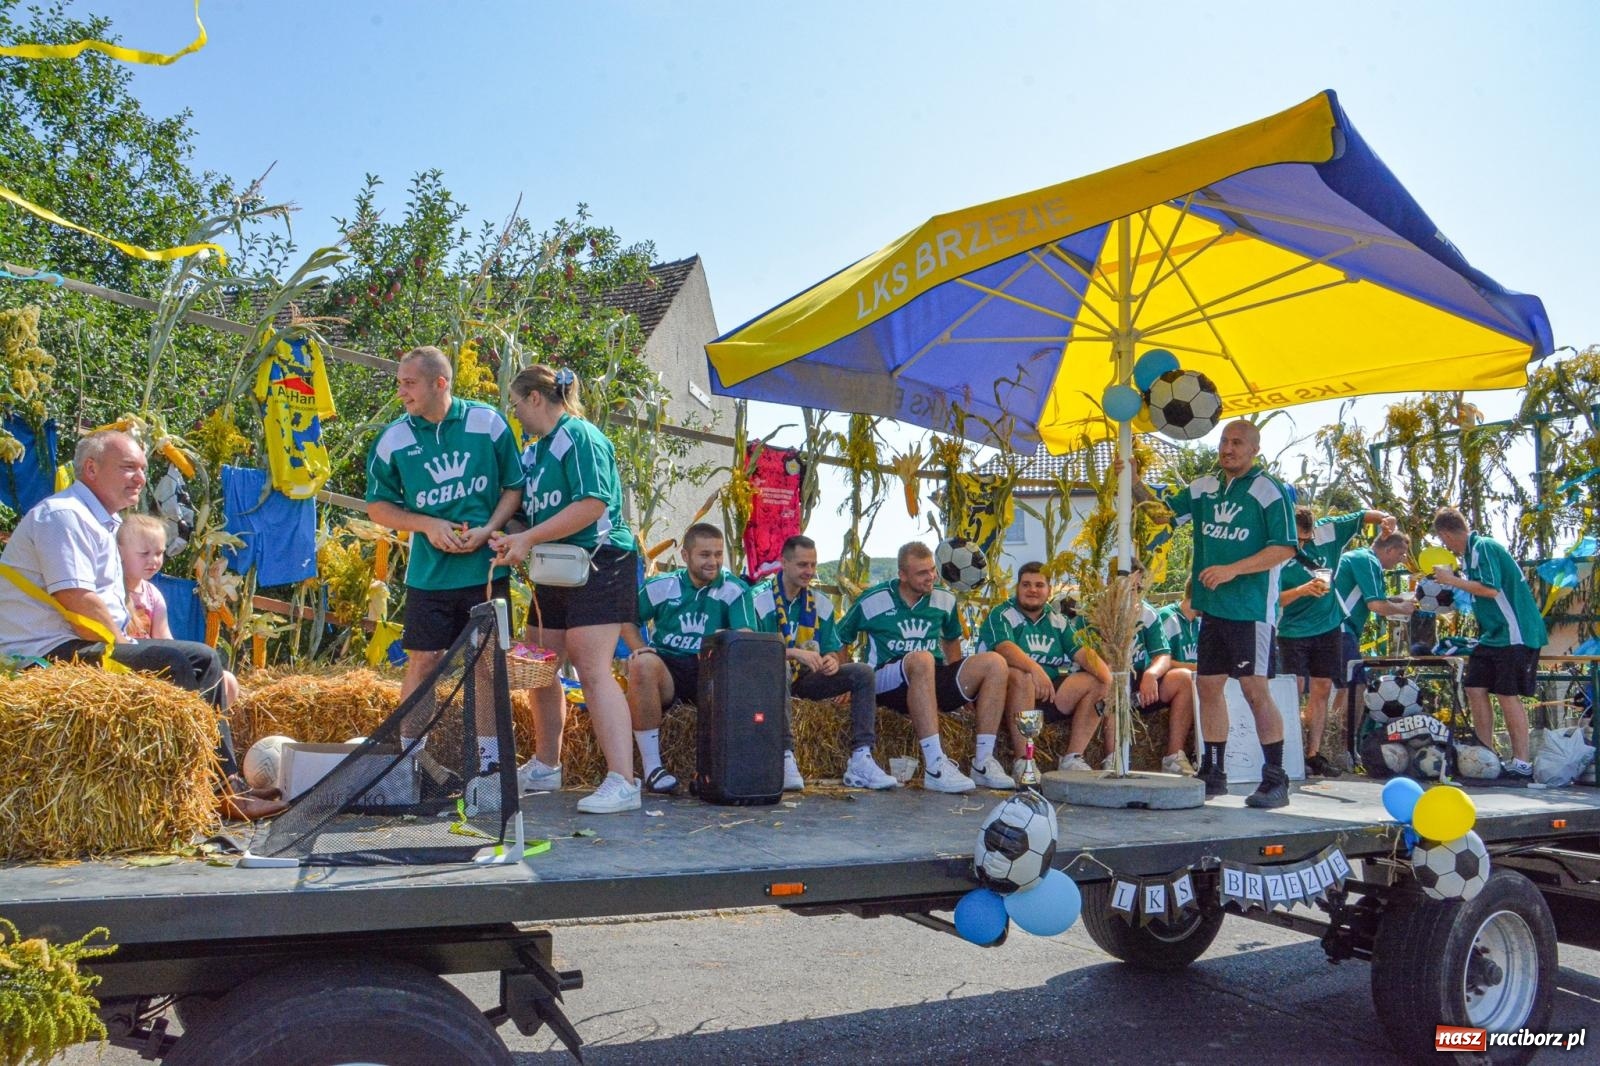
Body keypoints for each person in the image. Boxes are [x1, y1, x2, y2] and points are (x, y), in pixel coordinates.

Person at [0, 431, 278, 817]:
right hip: (44, 655)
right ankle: (219, 793)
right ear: (91, 469)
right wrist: (127, 646)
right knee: (195, 661)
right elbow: (76, 601)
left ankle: (218, 787)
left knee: (200, 660)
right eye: (128, 467)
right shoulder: (63, 516)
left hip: (71, 645)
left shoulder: (100, 521)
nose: (141, 478)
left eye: (143, 469)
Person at [489, 365, 643, 814]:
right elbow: (534, 514)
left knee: (592, 668)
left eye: (516, 405)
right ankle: (546, 763)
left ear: (536, 398)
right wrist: (505, 535)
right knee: (540, 663)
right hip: (553, 566)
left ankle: (623, 781)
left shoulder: (580, 437)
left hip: (598, 561)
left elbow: (593, 504)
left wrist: (528, 539)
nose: (515, 415)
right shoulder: (536, 451)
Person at [365, 346, 525, 778]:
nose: (401, 391)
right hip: (429, 576)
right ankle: (408, 760)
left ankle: (490, 765)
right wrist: (427, 524)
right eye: (400, 382)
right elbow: (377, 506)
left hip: (486, 572)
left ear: (441, 383)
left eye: (409, 383)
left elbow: (514, 486)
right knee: (423, 660)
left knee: (488, 665)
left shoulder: (488, 423)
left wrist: (489, 528)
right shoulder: (395, 437)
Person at [1159, 419, 1297, 807]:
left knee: (1255, 690)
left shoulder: (1267, 489)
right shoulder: (1204, 487)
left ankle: (1276, 779)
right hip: (1213, 609)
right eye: (1223, 441)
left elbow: (1284, 548)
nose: (1228, 448)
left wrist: (1233, 569)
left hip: (1251, 609)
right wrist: (1132, 480)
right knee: (1207, 686)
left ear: (1254, 450)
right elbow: (1160, 513)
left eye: (1237, 443)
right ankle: (1214, 772)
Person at [835, 541, 1014, 793]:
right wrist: (845, 680)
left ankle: (983, 762)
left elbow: (951, 639)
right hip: (886, 682)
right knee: (922, 659)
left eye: (932, 570)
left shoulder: (944, 598)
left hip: (928, 678)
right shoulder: (874, 599)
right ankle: (935, 765)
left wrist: (959, 686)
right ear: (902, 575)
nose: (931, 577)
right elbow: (840, 637)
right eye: (922, 573)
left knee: (995, 662)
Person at [748, 535, 899, 790]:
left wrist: (831, 661)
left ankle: (862, 757)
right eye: (802, 565)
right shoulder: (759, 599)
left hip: (807, 679)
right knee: (780, 665)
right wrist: (794, 653)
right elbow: (752, 650)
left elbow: (833, 650)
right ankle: (784, 755)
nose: (809, 571)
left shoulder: (821, 603)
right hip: (768, 679)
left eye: (813, 565)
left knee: (862, 673)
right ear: (784, 563)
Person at [622, 524, 759, 794]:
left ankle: (714, 771)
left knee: (739, 674)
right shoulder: (662, 585)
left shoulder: (735, 589)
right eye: (705, 555)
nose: (714, 562)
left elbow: (745, 636)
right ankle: (652, 769)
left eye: (718, 555)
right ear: (685, 556)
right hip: (669, 670)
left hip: (711, 672)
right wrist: (640, 647)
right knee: (641, 663)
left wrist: (724, 637)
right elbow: (626, 618)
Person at [1429, 507, 1546, 779]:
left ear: (1446, 533)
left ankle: (1521, 762)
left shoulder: (1483, 546)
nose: (1445, 546)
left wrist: (1452, 580)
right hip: (1492, 636)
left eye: (1443, 541)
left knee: (1507, 695)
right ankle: (1486, 755)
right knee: (1474, 687)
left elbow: (1490, 589)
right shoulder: (1469, 555)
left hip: (1515, 633)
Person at [1277, 506, 1395, 777]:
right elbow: (1269, 599)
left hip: (1329, 626)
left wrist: (1385, 520)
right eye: (1297, 540)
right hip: (1291, 629)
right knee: (1292, 689)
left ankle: (1313, 753)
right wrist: (1301, 591)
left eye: (1306, 539)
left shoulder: (1328, 531)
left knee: (1321, 688)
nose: (1302, 545)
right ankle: (1288, 751)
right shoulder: (1274, 550)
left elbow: (1360, 514)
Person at [978, 562, 1112, 779]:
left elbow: (1082, 652)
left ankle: (1072, 758)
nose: (1032, 590)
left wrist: (1108, 678)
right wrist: (1035, 669)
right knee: (1021, 676)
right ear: (1017, 588)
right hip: (1010, 695)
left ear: (1049, 590)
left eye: (1039, 585)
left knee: (1096, 680)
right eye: (1026, 584)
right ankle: (1023, 760)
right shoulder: (1002, 613)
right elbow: (1005, 649)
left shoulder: (1057, 620)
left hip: (1048, 692)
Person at [118, 513, 240, 707]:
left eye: (159, 553)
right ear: (120, 552)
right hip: (129, 667)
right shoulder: (112, 591)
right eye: (144, 553)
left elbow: (166, 641)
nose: (154, 560)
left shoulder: (152, 594)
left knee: (227, 681)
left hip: (156, 664)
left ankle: (212, 729)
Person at [1332, 530, 1417, 735]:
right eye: (1401, 553)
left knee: (1343, 689)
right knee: (1357, 688)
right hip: (1340, 628)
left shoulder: (1362, 560)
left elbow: (1377, 599)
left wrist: (1399, 602)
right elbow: (1376, 605)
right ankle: (1345, 747)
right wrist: (1403, 609)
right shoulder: (1368, 560)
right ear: (1388, 549)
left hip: (1339, 629)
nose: (1402, 559)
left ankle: (1333, 743)